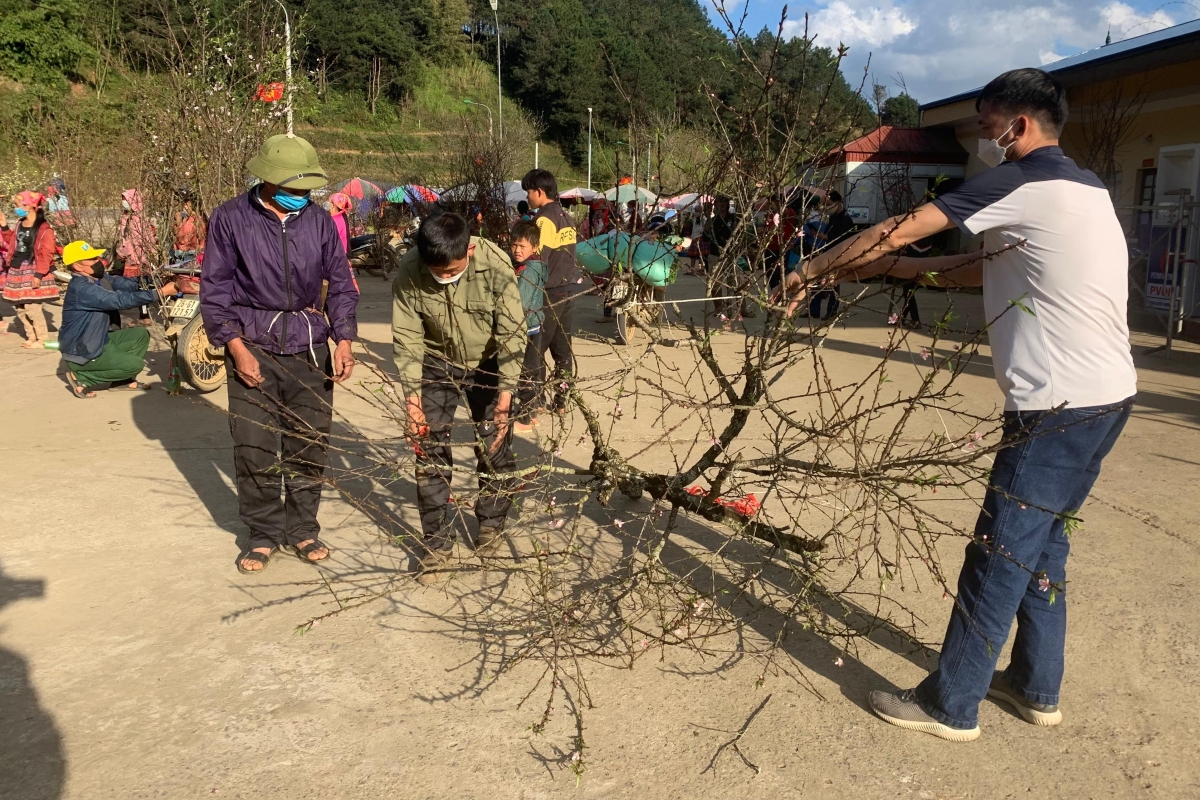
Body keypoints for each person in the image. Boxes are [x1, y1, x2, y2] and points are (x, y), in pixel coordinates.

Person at [784, 68, 1137, 742]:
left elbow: (895, 228)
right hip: (1106, 399)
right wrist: (885, 269)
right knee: (1043, 550)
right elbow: (982, 266)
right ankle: (1036, 686)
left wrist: (809, 269)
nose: (983, 139)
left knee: (998, 552)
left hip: (1057, 409)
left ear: (1020, 126)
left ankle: (951, 704)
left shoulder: (1023, 181)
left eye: (987, 126)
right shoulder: (1083, 189)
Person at [201, 133, 359, 575]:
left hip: (310, 348)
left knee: (309, 442)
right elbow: (215, 289)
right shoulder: (230, 218)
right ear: (268, 183)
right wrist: (235, 346)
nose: (303, 198)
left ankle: (303, 527)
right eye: (295, 190)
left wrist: (343, 338)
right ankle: (264, 532)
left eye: (308, 190)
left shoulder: (320, 222)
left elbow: (341, 284)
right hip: (253, 344)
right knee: (255, 446)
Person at [391, 212, 526, 580]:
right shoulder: (410, 270)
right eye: (438, 273)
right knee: (430, 451)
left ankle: (490, 524)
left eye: (452, 271)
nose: (445, 278)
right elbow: (406, 338)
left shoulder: (496, 265)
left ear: (468, 248)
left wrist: (505, 398)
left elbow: (513, 334)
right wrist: (412, 403)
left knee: (494, 445)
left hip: (488, 362)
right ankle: (437, 544)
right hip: (436, 362)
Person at [58, 240, 177, 398]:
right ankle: (81, 377)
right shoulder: (82, 289)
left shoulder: (99, 278)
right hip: (82, 350)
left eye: (97, 257)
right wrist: (161, 292)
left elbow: (127, 284)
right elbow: (120, 300)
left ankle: (123, 381)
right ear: (78, 266)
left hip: (98, 339)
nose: (98, 262)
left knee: (140, 335)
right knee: (136, 365)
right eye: (92, 259)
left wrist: (155, 279)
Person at [522, 169, 578, 416]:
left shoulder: (543, 220)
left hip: (549, 291)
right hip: (567, 290)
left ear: (539, 192)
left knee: (535, 349)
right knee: (562, 350)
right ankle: (562, 400)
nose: (527, 196)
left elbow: (537, 256)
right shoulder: (566, 216)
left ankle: (532, 402)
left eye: (528, 191)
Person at [1, 191, 59, 348]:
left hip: (33, 269)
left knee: (32, 307)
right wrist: (4, 226)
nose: (16, 208)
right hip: (17, 268)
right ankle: (31, 336)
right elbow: (12, 242)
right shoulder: (20, 223)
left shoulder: (44, 229)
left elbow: (46, 253)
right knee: (19, 307)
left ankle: (42, 339)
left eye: (18, 205)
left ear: (30, 205)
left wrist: (39, 274)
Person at [509, 220, 548, 432]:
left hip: (528, 326)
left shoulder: (529, 270)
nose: (516, 250)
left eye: (522, 246)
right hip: (532, 325)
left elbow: (521, 303)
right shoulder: (526, 265)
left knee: (526, 371)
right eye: (514, 245)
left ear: (534, 247)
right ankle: (534, 407)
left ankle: (527, 417)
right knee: (531, 368)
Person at [807, 190, 855, 320]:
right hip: (828, 251)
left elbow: (841, 238)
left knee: (834, 283)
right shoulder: (833, 217)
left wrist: (826, 236)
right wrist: (820, 235)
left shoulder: (846, 219)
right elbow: (828, 233)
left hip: (839, 254)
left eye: (829, 203)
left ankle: (832, 310)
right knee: (816, 279)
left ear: (838, 202)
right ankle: (814, 310)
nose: (828, 207)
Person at [116, 189, 156, 324]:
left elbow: (142, 241)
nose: (123, 203)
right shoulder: (128, 219)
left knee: (140, 287)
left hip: (138, 260)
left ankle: (144, 317)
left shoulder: (138, 221)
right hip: (132, 259)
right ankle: (142, 315)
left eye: (126, 200)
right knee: (138, 288)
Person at [171, 191, 206, 261]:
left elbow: (202, 239)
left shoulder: (197, 220)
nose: (184, 207)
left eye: (186, 204)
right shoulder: (183, 219)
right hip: (178, 255)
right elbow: (177, 237)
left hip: (191, 255)